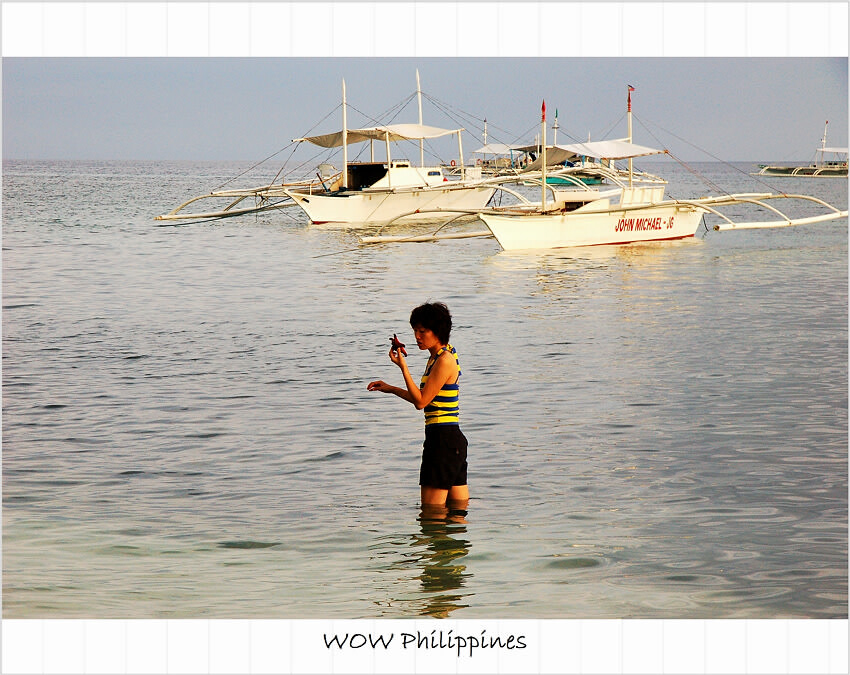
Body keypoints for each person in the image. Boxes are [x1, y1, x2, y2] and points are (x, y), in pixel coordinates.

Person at [367, 302, 469, 511]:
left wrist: (403, 368)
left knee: (431, 515)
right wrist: (390, 388)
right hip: (451, 441)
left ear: (438, 331)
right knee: (458, 513)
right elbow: (424, 398)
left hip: (441, 441)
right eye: (415, 330)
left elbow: (421, 402)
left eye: (423, 331)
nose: (417, 336)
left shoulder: (444, 360)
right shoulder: (441, 355)